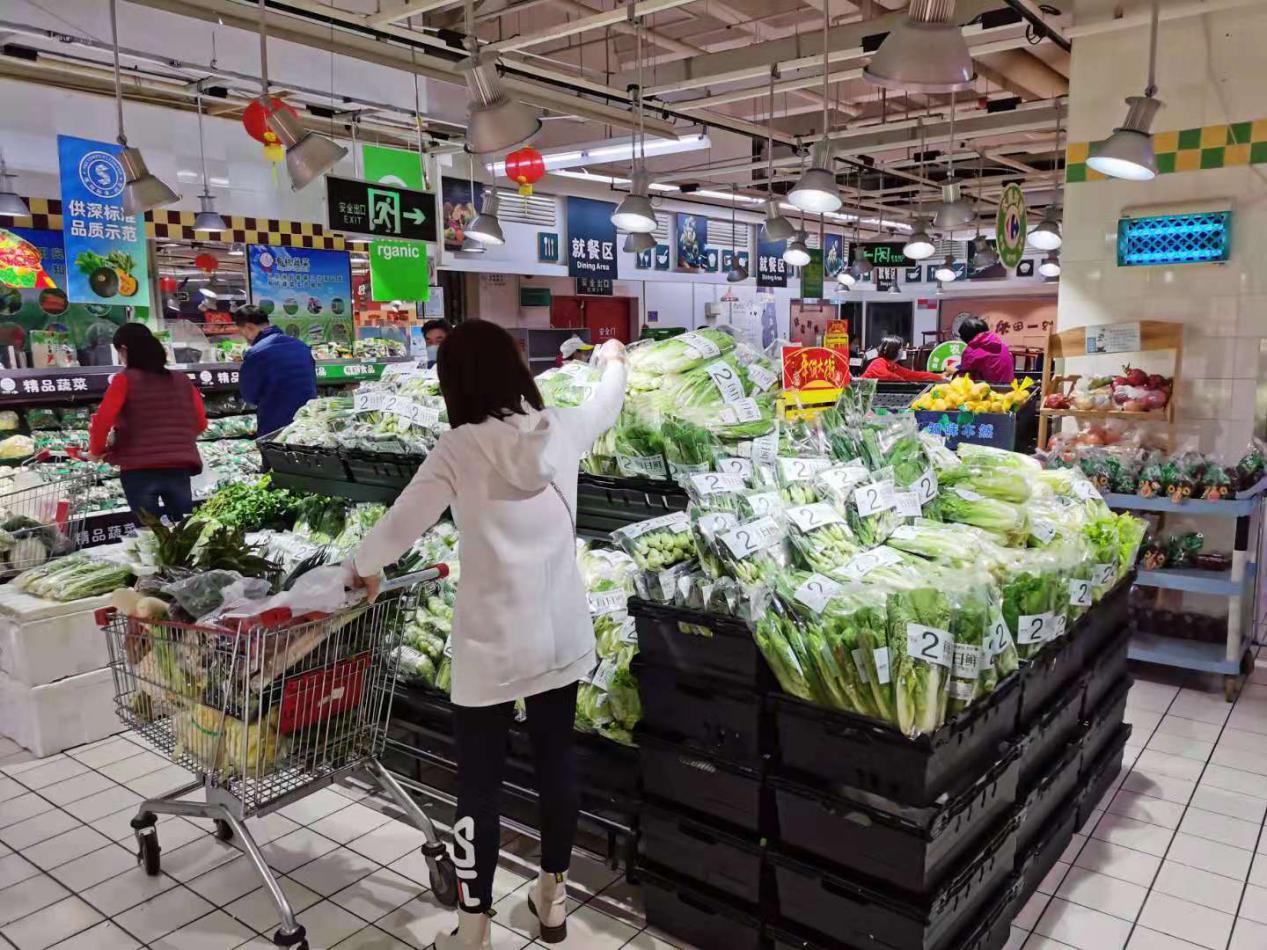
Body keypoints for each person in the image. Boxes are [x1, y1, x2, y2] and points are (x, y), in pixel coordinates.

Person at [347, 320, 628, 950]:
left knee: (478, 784)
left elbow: (401, 524)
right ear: (515, 370)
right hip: (559, 635)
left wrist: (360, 567)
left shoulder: (459, 448)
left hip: (490, 644)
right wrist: (613, 359)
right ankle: (552, 901)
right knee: (557, 764)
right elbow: (607, 402)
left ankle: (473, 929)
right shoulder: (562, 427)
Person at [87, 323, 206, 522]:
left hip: (138, 470)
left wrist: (96, 451)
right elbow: (200, 423)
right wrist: (175, 439)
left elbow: (102, 421)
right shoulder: (182, 380)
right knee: (184, 528)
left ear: (124, 350)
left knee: (149, 531)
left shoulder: (124, 380)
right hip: (178, 467)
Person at [234, 306, 318, 437]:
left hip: (275, 427)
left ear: (249, 327)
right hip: (307, 423)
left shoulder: (255, 353)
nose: (244, 338)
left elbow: (249, 396)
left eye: (242, 332)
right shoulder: (301, 346)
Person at [860, 335, 947, 382]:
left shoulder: (893, 366)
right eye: (901, 348)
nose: (902, 350)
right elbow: (886, 376)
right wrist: (904, 382)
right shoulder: (878, 362)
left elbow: (913, 374)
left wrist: (938, 377)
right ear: (893, 349)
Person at [957, 316, 1016, 384]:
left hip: (987, 389)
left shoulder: (970, 351)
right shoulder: (1003, 346)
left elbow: (964, 379)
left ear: (967, 336)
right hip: (1011, 388)